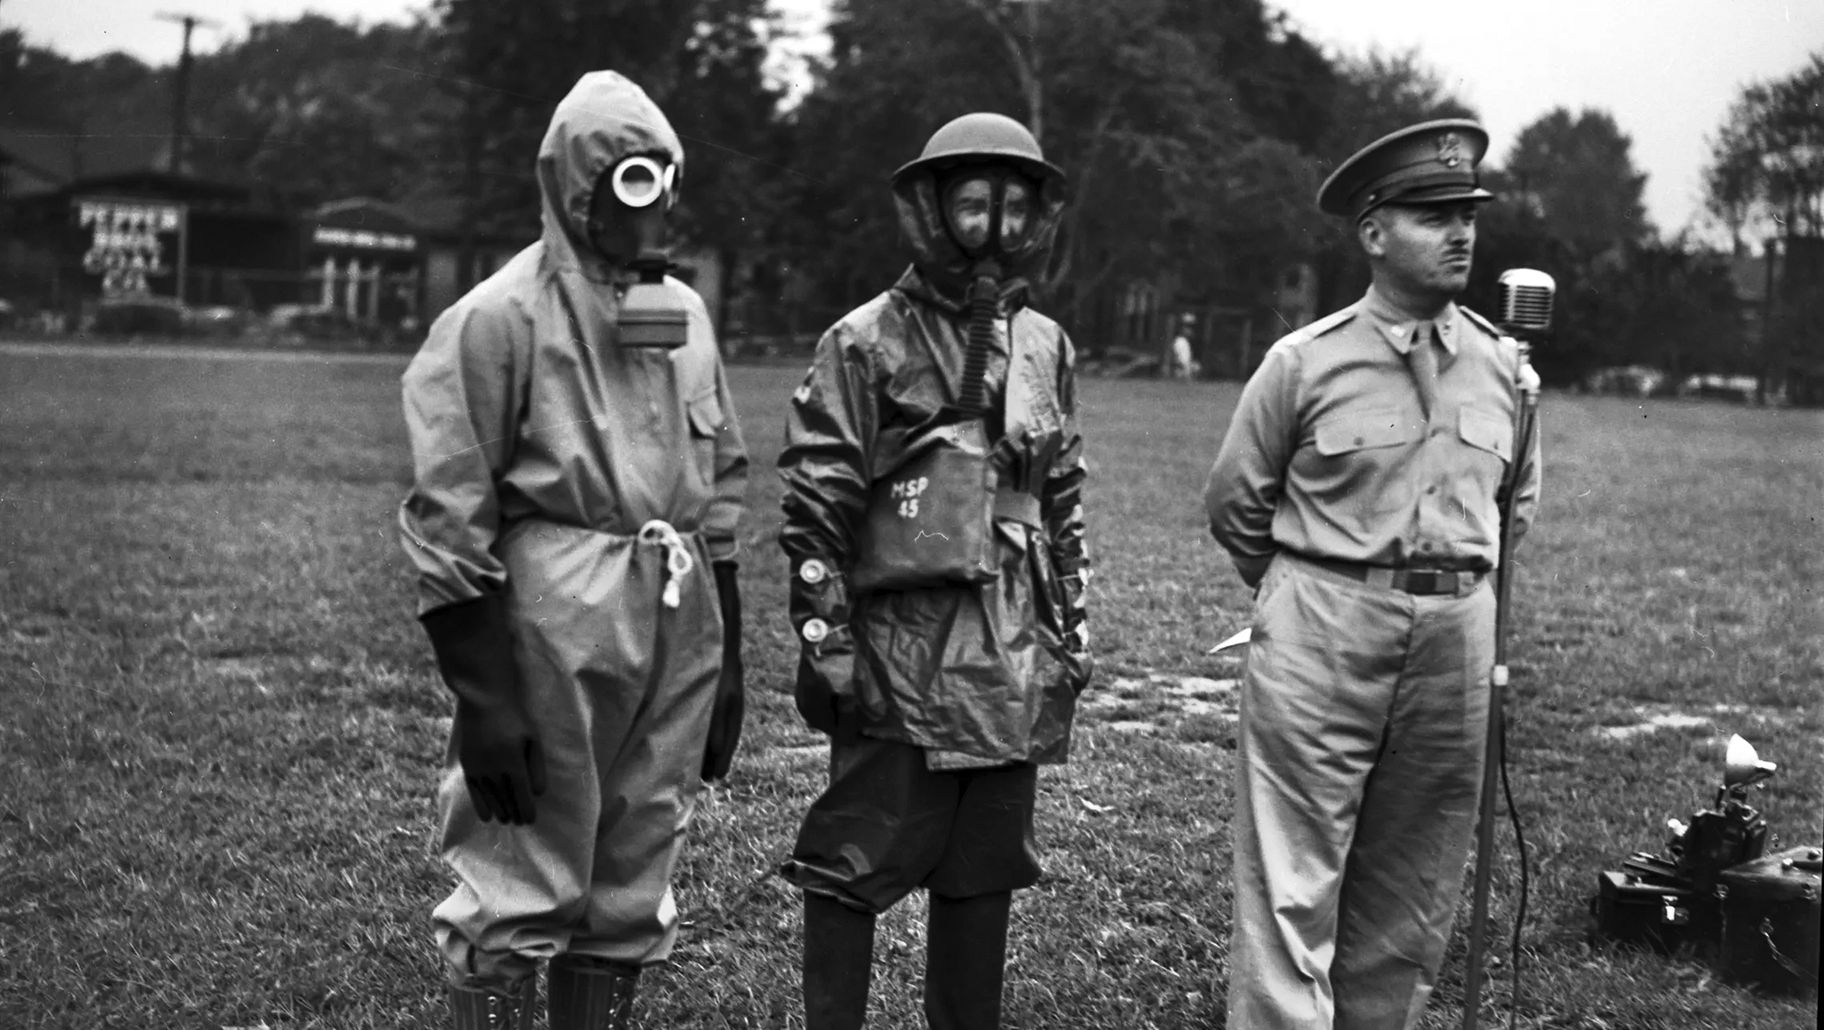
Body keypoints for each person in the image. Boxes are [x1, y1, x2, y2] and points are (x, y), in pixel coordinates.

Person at [397, 70, 749, 1030]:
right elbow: (450, 516)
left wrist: (728, 664)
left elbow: (715, 487)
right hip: (555, 620)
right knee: (522, 871)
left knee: (633, 871)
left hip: (674, 612)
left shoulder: (680, 314)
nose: (647, 204)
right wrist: (487, 698)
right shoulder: (498, 318)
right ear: (573, 185)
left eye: (661, 178)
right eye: (624, 178)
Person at [1201, 119, 1542, 1030]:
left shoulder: (1507, 370)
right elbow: (1236, 501)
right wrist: (1309, 596)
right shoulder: (1303, 363)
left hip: (1454, 642)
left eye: (1467, 213)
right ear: (1374, 231)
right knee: (1291, 884)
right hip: (1325, 630)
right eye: (1433, 214)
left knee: (1413, 886)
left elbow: (1516, 508)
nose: (1460, 232)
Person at [776, 111, 1093, 1030]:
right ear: (930, 209)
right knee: (854, 858)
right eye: (969, 202)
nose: (990, 225)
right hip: (901, 649)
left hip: (1012, 649)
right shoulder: (866, 340)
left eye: (1008, 204)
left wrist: (1072, 630)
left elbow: (1064, 499)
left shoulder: (1046, 344)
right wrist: (825, 640)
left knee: (984, 866)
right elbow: (817, 498)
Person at [1169, 313, 1199, 380]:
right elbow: (1182, 364)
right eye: (1188, 327)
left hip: (1184, 375)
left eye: (1192, 327)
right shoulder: (1180, 342)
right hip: (1180, 377)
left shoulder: (1185, 342)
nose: (1191, 330)